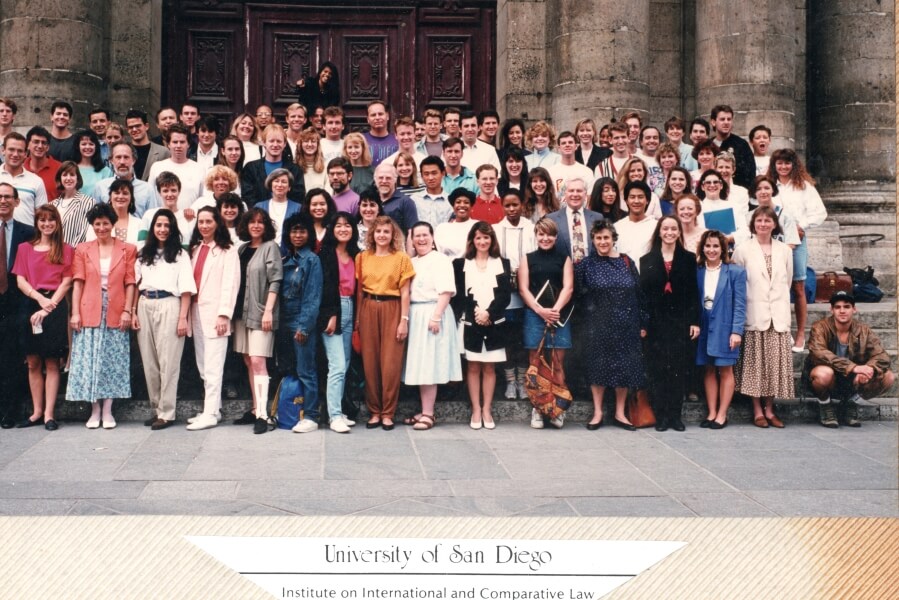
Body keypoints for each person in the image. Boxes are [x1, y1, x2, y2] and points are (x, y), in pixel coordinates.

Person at [66, 202, 137, 428]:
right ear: (92, 226)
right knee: (90, 360)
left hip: (116, 310)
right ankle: (94, 410)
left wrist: (128, 310)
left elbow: (130, 282)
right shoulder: (83, 249)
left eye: (106, 223)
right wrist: (75, 312)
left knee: (112, 360)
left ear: (112, 224)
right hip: (89, 308)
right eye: (97, 224)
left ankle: (108, 410)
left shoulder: (128, 249)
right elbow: (78, 283)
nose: (102, 227)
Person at [575, 220, 646, 430]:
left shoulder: (626, 262)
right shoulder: (586, 265)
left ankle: (620, 413)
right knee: (598, 367)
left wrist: (643, 322)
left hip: (626, 324)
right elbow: (578, 295)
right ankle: (597, 412)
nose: (603, 241)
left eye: (606, 237)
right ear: (593, 240)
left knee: (624, 367)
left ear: (613, 238)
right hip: (597, 325)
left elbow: (639, 293)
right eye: (598, 238)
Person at [132, 208, 196, 430]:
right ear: (153, 228)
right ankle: (157, 408)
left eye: (167, 226)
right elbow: (135, 284)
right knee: (149, 361)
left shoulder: (180, 255)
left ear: (172, 229)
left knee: (168, 362)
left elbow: (186, 289)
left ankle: (167, 412)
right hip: (145, 303)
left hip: (170, 304)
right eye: (158, 225)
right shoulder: (143, 254)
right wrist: (132, 311)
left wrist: (182, 318)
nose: (162, 229)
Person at [731, 206, 794, 428]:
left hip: (777, 315)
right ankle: (757, 410)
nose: (763, 224)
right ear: (753, 224)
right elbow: (738, 284)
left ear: (774, 224)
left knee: (773, 366)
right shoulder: (743, 250)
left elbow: (787, 282)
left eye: (768, 221)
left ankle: (770, 409)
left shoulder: (785, 250)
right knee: (755, 365)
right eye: (759, 221)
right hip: (754, 314)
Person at [12, 205, 73, 430]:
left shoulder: (66, 249)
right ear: (37, 223)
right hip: (31, 304)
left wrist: (49, 306)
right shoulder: (24, 249)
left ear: (57, 223)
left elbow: (66, 282)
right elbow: (20, 280)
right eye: (42, 220)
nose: (47, 224)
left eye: (51, 220)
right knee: (33, 362)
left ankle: (49, 414)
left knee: (51, 362)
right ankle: (36, 412)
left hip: (54, 306)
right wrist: (40, 300)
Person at [639, 216, 700, 431]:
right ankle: (661, 416)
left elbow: (693, 292)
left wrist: (694, 321)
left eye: (674, 229)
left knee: (677, 369)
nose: (670, 232)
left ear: (678, 233)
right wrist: (643, 323)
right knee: (657, 369)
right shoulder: (646, 260)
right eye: (666, 228)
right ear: (659, 232)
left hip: (679, 322)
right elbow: (644, 296)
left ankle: (675, 415)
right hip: (656, 323)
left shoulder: (688, 258)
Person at [354, 216, 414, 430]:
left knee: (390, 363)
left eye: (386, 232)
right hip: (369, 307)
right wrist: (358, 320)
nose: (382, 235)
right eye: (378, 231)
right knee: (370, 362)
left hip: (393, 308)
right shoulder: (362, 257)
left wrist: (403, 321)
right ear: (372, 234)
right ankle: (375, 411)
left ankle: (388, 412)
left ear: (393, 235)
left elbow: (405, 292)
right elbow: (360, 290)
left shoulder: (401, 258)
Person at [451, 221, 511, 430]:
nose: (482, 241)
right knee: (474, 366)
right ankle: (476, 409)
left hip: (494, 322)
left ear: (492, 240)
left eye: (486, 237)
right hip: (471, 321)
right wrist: (477, 311)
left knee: (490, 367)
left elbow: (504, 295)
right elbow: (459, 295)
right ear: (472, 240)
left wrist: (489, 314)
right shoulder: (461, 264)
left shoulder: (502, 263)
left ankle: (487, 409)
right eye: (478, 238)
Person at [805, 291, 895, 428]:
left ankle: (851, 404)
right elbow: (819, 352)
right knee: (823, 373)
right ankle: (825, 406)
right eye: (838, 307)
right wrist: (853, 367)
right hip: (829, 380)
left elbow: (882, 355)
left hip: (852, 381)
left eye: (846, 307)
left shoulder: (864, 330)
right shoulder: (820, 327)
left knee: (888, 376)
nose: (842, 311)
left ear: (854, 309)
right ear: (831, 310)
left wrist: (869, 368)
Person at [403, 221, 462, 431]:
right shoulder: (413, 261)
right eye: (416, 236)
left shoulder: (440, 260)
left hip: (432, 313)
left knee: (429, 364)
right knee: (421, 365)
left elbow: (445, 291)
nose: (421, 239)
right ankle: (424, 410)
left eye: (425, 235)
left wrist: (436, 316)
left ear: (432, 237)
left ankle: (428, 413)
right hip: (416, 313)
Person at [767, 148, 827, 351]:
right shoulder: (770, 187)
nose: (783, 167)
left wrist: (801, 226)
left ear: (794, 164)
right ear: (774, 165)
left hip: (797, 240)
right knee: (776, 286)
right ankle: (782, 332)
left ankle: (800, 334)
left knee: (798, 286)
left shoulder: (804, 187)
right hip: (774, 240)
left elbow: (820, 213)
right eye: (779, 163)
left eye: (787, 163)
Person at [186, 207, 240, 430]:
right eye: (201, 222)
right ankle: (214, 409)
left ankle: (209, 414)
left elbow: (230, 284)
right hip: (196, 312)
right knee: (202, 365)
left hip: (216, 315)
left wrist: (224, 314)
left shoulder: (228, 251)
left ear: (217, 223)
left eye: (209, 221)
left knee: (213, 366)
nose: (204, 225)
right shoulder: (196, 249)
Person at [518, 217, 573, 429]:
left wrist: (555, 310)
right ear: (536, 236)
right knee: (536, 362)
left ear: (556, 237)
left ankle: (558, 408)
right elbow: (523, 288)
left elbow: (568, 287)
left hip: (559, 315)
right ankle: (538, 409)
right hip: (535, 314)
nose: (545, 238)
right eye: (541, 234)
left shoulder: (564, 258)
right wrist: (540, 311)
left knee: (558, 362)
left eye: (549, 234)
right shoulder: (528, 258)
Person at [232, 208, 283, 434]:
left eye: (261, 222)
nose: (256, 226)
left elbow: (276, 281)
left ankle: (264, 415)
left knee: (258, 361)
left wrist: (269, 311)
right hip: (241, 314)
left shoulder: (270, 247)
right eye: (252, 222)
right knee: (247, 361)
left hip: (261, 312)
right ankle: (255, 408)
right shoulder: (242, 249)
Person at [695, 229, 746, 429]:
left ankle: (722, 414)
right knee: (708, 369)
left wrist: (736, 331)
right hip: (704, 323)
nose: (711, 250)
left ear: (723, 248)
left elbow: (740, 304)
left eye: (716, 246)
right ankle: (711, 412)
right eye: (708, 246)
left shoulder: (735, 272)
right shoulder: (697, 270)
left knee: (725, 369)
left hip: (725, 325)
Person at [317, 212, 359, 433]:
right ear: (332, 229)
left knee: (346, 362)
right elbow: (324, 287)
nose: (343, 229)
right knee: (337, 365)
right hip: (333, 309)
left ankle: (340, 411)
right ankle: (333, 416)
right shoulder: (326, 253)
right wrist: (332, 314)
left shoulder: (355, 253)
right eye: (339, 225)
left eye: (347, 225)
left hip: (351, 307)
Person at [495, 189, 537, 400]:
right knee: (508, 339)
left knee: (523, 339)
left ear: (522, 204)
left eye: (515, 205)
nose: (512, 209)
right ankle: (511, 382)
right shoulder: (496, 229)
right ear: (502, 206)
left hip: (527, 291)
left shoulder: (530, 228)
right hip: (505, 293)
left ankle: (522, 380)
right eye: (507, 205)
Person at [0, 183, 34, 429]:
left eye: (8, 197)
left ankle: (10, 411)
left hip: (15, 302)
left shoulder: (28, 233)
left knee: (12, 357)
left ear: (16, 201)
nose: (3, 201)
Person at [241, 124, 305, 208]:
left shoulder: (295, 170)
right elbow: (248, 196)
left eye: (279, 141)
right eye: (271, 141)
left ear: (285, 144)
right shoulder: (251, 168)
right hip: (259, 217)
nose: (275, 145)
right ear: (264, 142)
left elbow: (298, 196)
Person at [50, 161, 95, 246]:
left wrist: (70, 251)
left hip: (75, 253)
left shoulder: (88, 202)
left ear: (77, 178)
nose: (68, 178)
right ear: (60, 179)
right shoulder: (52, 205)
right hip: (53, 253)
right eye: (64, 175)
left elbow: (85, 231)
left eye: (72, 174)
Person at [88, 179, 143, 245]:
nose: (120, 196)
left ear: (131, 198)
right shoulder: (97, 222)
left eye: (125, 193)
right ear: (110, 197)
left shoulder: (140, 224)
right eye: (117, 193)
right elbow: (90, 246)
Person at [256, 168, 302, 246]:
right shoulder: (259, 207)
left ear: (289, 187)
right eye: (276, 181)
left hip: (289, 255)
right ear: (271, 185)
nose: (280, 185)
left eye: (284, 182)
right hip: (263, 253)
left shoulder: (298, 208)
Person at [434, 188, 476, 258]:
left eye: (466, 202)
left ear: (471, 206)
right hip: (447, 266)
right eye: (458, 202)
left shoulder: (477, 226)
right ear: (453, 206)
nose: (462, 205)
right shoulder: (442, 228)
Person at [74, 130, 113, 194]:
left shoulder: (106, 171)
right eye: (84, 144)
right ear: (78, 147)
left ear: (96, 147)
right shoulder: (72, 169)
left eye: (91, 144)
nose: (87, 147)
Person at [301, 187, 337, 252]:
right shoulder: (302, 227)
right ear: (308, 206)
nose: (318, 207)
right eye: (314, 204)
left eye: (322, 204)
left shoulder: (334, 227)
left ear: (328, 205)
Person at [297, 128, 329, 192]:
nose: (309, 144)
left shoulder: (326, 166)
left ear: (318, 145)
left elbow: (328, 192)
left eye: (313, 141)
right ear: (300, 145)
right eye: (306, 141)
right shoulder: (295, 167)